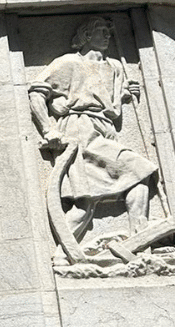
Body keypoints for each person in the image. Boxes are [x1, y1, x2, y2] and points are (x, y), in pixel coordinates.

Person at [28, 18, 158, 255]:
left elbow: (112, 106)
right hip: (80, 131)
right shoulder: (68, 63)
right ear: (86, 35)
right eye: (100, 31)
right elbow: (37, 92)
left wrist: (125, 94)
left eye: (108, 31)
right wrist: (48, 129)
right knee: (138, 171)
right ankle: (140, 242)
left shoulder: (116, 67)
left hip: (105, 128)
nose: (107, 35)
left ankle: (63, 255)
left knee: (85, 203)